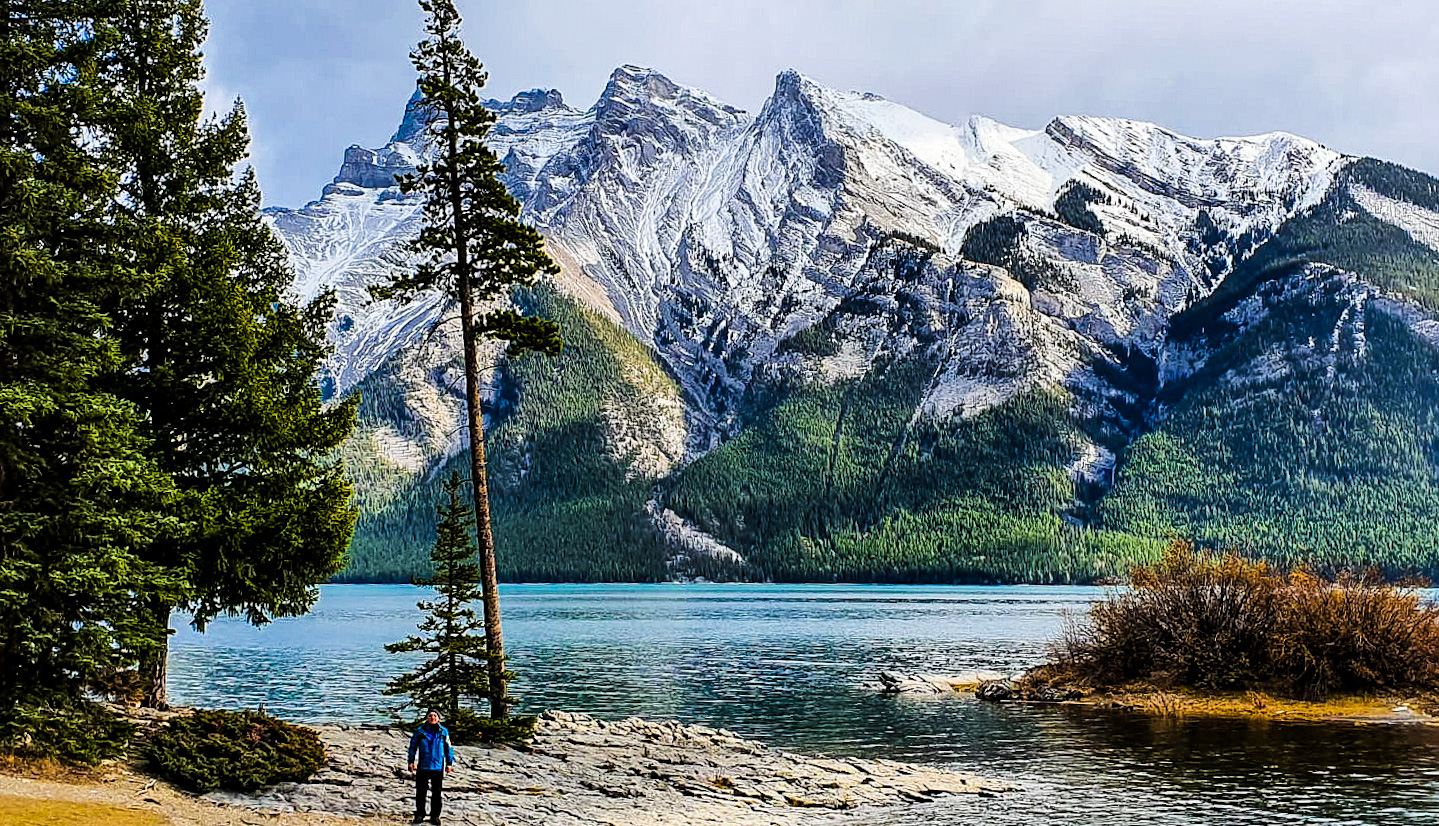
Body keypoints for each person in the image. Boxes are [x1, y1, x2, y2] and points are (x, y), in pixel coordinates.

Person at [407, 710, 454, 824]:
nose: (432, 718)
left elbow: (449, 748)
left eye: (435, 716)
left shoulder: (444, 732)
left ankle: (435, 816)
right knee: (421, 792)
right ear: (427, 718)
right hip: (423, 766)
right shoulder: (420, 731)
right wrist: (411, 761)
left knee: (437, 793)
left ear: (438, 718)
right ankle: (419, 814)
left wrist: (449, 763)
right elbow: (412, 747)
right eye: (430, 716)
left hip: (438, 767)